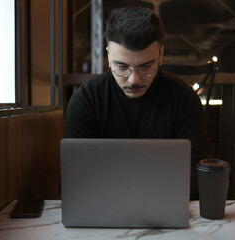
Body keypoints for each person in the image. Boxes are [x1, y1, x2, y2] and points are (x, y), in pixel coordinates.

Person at [65, 7, 207, 199]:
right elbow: (78, 177)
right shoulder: (86, 101)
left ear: (160, 55)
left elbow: (195, 174)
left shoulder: (184, 99)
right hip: (103, 205)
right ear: (108, 56)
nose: (134, 80)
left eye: (146, 67)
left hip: (166, 204)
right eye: (122, 67)